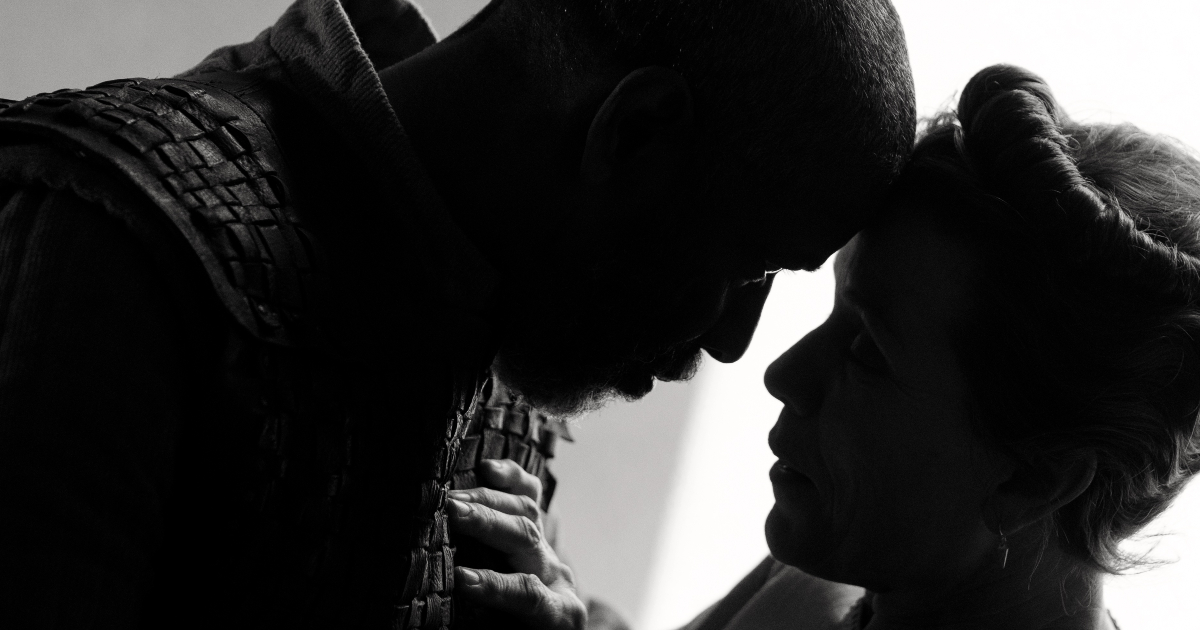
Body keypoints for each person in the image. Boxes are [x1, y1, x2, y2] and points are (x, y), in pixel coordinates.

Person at [0, 0, 915, 628]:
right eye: (746, 267)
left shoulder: (493, 313)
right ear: (631, 132)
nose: (730, 341)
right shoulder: (117, 251)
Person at [456, 65, 1200, 629]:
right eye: (836, 313)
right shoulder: (821, 586)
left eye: (869, 353)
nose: (784, 374)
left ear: (1034, 481)